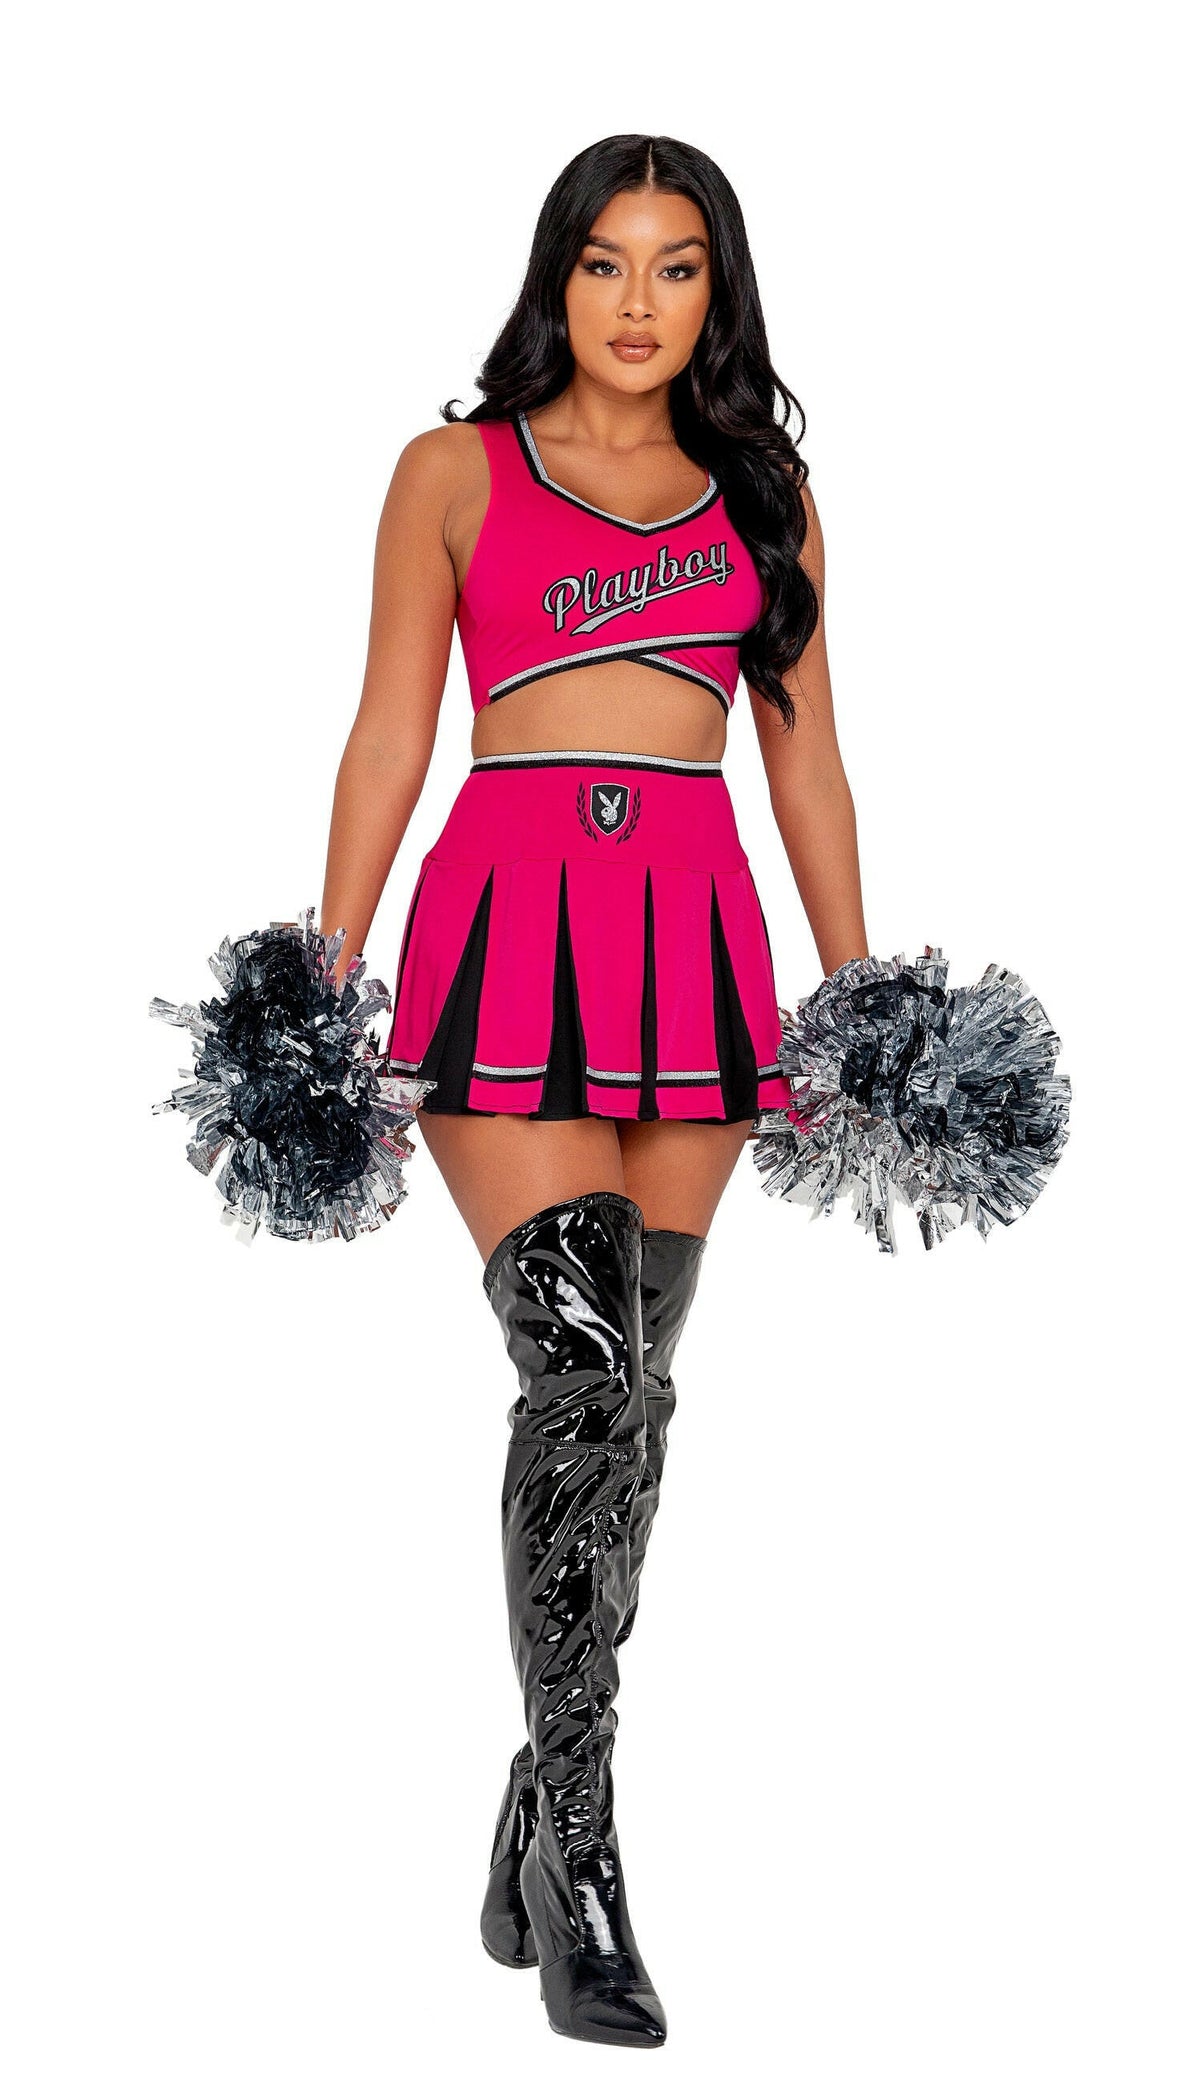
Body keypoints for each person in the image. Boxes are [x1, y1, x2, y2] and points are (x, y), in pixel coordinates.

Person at [319, 132, 868, 2048]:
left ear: (719, 292)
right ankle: (591, 1848)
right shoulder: (454, 473)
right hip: (507, 932)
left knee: (635, 1404)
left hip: (693, 947)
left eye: (678, 266)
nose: (639, 303)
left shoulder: (764, 495)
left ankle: (535, 1795)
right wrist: (324, 973)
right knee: (583, 1378)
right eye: (606, 262)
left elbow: (807, 762)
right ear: (557, 276)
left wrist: (859, 996)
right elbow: (390, 730)